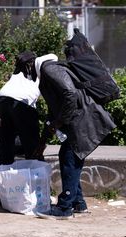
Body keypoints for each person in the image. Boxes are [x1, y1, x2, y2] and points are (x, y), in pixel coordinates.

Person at [33, 54, 116, 219]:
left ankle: (65, 208)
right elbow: (54, 111)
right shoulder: (55, 72)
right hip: (84, 122)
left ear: (35, 65)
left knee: (70, 160)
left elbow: (70, 94)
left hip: (81, 124)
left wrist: (59, 122)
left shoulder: (49, 68)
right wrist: (44, 139)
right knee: (69, 158)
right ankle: (78, 203)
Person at [0, 51, 42, 164]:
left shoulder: (16, 73)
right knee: (31, 144)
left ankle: (6, 172)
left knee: (6, 143)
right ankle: (35, 172)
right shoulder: (37, 72)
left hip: (1, 101)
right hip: (21, 103)